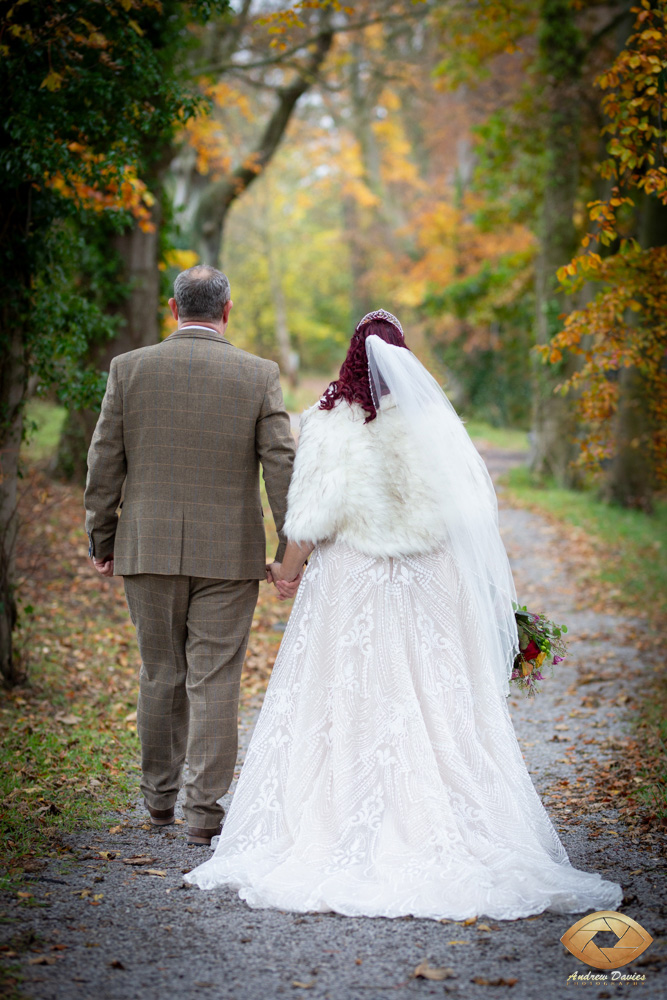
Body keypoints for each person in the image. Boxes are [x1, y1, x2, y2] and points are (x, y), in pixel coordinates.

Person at [185, 308, 623, 920]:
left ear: (350, 360)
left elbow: (309, 515)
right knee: (435, 696)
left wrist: (286, 571)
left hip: (354, 579)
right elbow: (471, 517)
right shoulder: (436, 426)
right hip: (428, 577)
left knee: (349, 694)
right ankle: (443, 814)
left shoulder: (330, 423)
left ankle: (338, 817)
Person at [84, 265, 298, 846]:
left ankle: (158, 802)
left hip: (146, 546)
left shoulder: (129, 370)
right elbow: (281, 463)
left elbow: (105, 462)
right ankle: (204, 814)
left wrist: (102, 539)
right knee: (215, 680)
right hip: (229, 554)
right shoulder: (258, 374)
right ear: (227, 311)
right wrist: (287, 552)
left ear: (173, 310)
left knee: (160, 674)